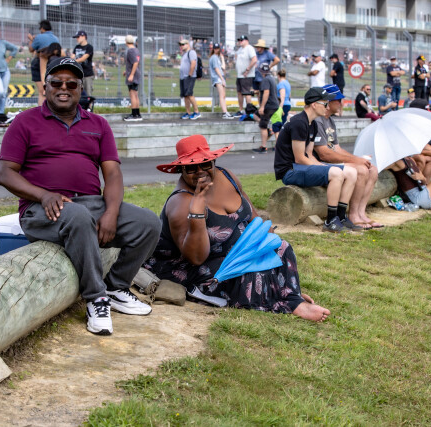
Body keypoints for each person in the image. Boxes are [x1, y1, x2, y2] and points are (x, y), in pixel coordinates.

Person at [0, 57, 161, 336]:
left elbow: (113, 173)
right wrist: (43, 195)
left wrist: (111, 212)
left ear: (80, 89)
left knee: (148, 223)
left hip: (90, 203)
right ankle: (96, 298)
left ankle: (116, 287)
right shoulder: (25, 122)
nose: (64, 88)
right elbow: (5, 174)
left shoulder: (98, 124)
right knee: (79, 216)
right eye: (56, 83)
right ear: (46, 87)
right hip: (40, 209)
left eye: (71, 84)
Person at [144, 135, 330, 321]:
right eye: (191, 168)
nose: (200, 171)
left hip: (233, 251)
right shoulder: (180, 203)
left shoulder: (226, 176)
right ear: (181, 170)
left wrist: (269, 244)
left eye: (206, 164)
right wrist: (197, 214)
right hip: (195, 268)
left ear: (213, 162)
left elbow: (254, 218)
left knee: (282, 247)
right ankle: (288, 304)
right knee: (250, 272)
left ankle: (287, 293)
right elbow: (196, 258)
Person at [274, 87, 357, 233]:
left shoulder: (313, 124)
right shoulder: (299, 122)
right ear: (314, 104)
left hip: (300, 166)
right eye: (325, 103)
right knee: (336, 173)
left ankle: (341, 217)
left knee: (351, 173)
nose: (327, 107)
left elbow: (309, 154)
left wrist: (322, 167)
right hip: (289, 170)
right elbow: (300, 158)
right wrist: (326, 169)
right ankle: (330, 221)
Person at [314, 84, 382, 230]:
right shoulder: (318, 120)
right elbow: (324, 154)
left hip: (330, 161)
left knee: (372, 170)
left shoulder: (330, 120)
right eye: (338, 100)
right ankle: (353, 214)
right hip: (320, 164)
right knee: (362, 170)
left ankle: (360, 213)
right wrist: (356, 161)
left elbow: (337, 149)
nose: (341, 103)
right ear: (328, 102)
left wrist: (358, 159)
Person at [27, 19, 59, 106]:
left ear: (42, 28)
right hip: (53, 64)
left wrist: (31, 40)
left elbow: (31, 49)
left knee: (42, 92)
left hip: (39, 64)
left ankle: (41, 111)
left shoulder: (39, 37)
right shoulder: (56, 38)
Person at [252, 63, 279, 153]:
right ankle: (268, 131)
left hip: (268, 106)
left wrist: (262, 106)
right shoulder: (271, 78)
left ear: (261, 71)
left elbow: (266, 92)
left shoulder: (265, 80)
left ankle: (263, 147)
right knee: (255, 115)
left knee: (262, 125)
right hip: (274, 105)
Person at [209, 42, 233, 119]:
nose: (216, 50)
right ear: (213, 49)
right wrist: (222, 79)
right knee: (222, 95)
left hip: (220, 77)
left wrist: (222, 59)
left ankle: (226, 112)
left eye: (217, 48)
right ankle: (224, 112)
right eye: (215, 48)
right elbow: (216, 69)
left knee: (223, 95)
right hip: (218, 78)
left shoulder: (217, 57)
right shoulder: (214, 57)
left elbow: (223, 68)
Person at [177, 38, 200, 120]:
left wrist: (190, 74)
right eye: (180, 45)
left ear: (188, 44)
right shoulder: (184, 54)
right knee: (185, 95)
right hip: (183, 77)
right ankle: (188, 112)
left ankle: (196, 112)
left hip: (189, 77)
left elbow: (193, 63)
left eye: (183, 44)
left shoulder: (191, 52)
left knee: (189, 94)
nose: (181, 46)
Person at [234, 35, 256, 116]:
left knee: (247, 93)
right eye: (239, 40)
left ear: (246, 41)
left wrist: (248, 69)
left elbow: (254, 60)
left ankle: (249, 110)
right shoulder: (240, 49)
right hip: (240, 75)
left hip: (247, 75)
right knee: (239, 92)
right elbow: (236, 57)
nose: (240, 42)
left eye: (242, 40)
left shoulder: (249, 48)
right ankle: (241, 110)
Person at [123, 35, 142, 121]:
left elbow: (135, 63)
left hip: (133, 75)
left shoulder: (130, 51)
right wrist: (127, 71)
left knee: (132, 94)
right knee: (135, 94)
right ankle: (137, 113)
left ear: (126, 41)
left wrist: (131, 74)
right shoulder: (136, 50)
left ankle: (134, 114)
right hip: (135, 73)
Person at [70, 30, 94, 96]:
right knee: (78, 94)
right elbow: (72, 57)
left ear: (84, 37)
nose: (77, 39)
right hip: (78, 74)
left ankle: (88, 103)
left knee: (88, 94)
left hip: (87, 75)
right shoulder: (76, 47)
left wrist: (73, 61)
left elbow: (83, 58)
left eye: (78, 37)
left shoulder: (89, 47)